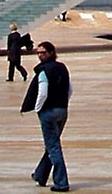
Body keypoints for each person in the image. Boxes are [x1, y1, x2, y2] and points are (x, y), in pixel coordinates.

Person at [20, 40, 71, 192]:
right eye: (38, 53)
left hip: (48, 112)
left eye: (43, 52)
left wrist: (37, 108)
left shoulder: (43, 71)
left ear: (51, 53)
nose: (40, 55)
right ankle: (40, 174)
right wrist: (63, 103)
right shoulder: (62, 68)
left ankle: (61, 183)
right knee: (52, 144)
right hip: (62, 110)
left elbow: (42, 92)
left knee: (54, 147)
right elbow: (70, 89)